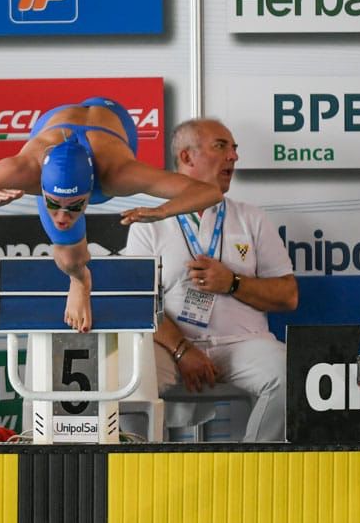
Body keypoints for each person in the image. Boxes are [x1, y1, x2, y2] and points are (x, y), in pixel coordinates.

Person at [0, 97, 223, 333]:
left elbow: (210, 193)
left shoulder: (118, 173)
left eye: (75, 205)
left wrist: (161, 211)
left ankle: (79, 276)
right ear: (40, 186)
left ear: (93, 188)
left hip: (112, 118)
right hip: (55, 118)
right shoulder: (22, 169)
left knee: (68, 245)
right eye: (54, 203)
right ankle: (80, 281)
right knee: (71, 259)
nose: (62, 216)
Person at [124, 118, 298, 442]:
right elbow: (136, 303)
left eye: (234, 149)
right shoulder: (149, 224)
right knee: (131, 376)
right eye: (221, 146)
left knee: (290, 376)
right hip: (170, 347)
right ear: (187, 157)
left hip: (243, 344)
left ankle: (256, 471)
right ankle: (142, 474)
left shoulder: (251, 218)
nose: (234, 157)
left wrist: (233, 282)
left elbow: (288, 296)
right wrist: (182, 350)